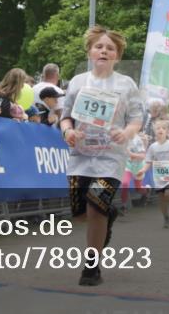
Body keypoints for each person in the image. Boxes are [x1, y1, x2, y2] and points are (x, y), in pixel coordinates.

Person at [60, 25, 143, 286]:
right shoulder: (77, 82)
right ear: (89, 51)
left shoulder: (125, 84)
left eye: (110, 48)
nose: (104, 51)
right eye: (99, 46)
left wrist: (126, 133)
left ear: (117, 55)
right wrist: (68, 132)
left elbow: (137, 119)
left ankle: (91, 267)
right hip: (80, 156)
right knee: (80, 213)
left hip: (111, 158)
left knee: (96, 207)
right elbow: (65, 118)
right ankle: (110, 215)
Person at [120, 132, 149, 215]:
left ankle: (146, 191)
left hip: (139, 165)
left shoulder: (139, 139)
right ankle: (124, 206)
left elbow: (143, 156)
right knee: (125, 183)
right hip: (127, 164)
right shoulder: (122, 136)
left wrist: (131, 154)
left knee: (138, 189)